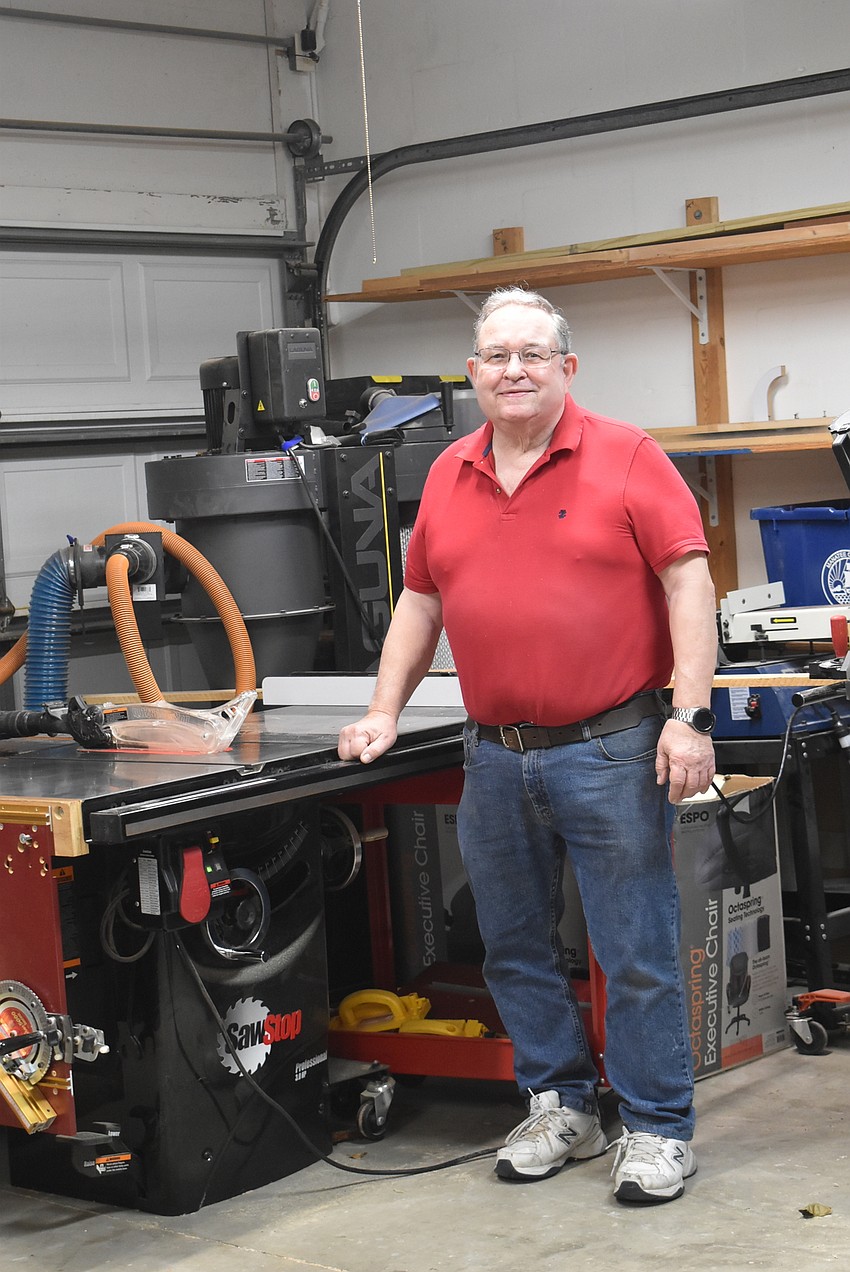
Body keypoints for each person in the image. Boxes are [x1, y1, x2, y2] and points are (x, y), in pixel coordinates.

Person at [338, 287, 717, 1204]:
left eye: (533, 354)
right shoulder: (448, 471)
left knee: (633, 951)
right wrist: (385, 709)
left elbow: (689, 582)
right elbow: (421, 601)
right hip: (496, 756)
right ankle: (563, 1106)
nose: (514, 370)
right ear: (473, 373)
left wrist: (690, 715)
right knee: (511, 946)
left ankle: (658, 1128)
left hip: (613, 746)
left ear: (566, 368)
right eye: (497, 356)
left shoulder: (627, 455)